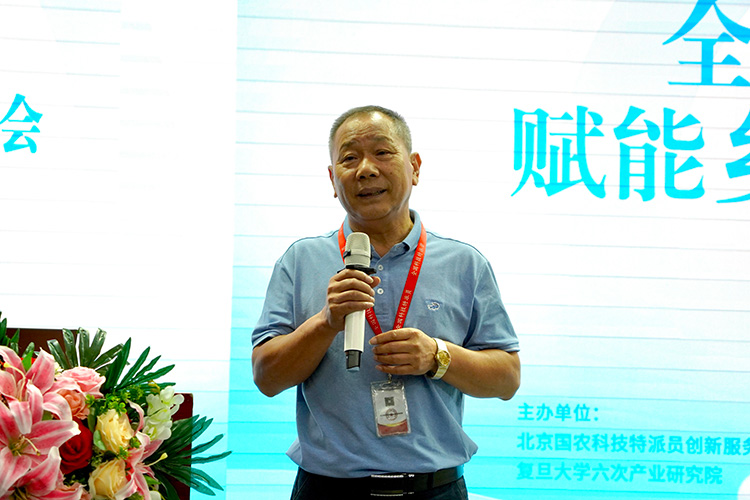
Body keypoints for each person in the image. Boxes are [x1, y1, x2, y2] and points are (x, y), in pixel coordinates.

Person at [252, 105, 521, 500]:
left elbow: (507, 378)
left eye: (382, 152)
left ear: (415, 167)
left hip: (435, 489)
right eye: (349, 158)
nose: (366, 169)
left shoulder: (464, 263)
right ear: (332, 179)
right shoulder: (300, 260)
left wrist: (437, 356)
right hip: (327, 490)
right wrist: (326, 322)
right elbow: (266, 377)